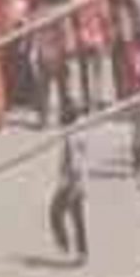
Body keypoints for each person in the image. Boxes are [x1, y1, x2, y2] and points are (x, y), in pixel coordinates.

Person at [50, 103, 92, 262]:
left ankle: (64, 243)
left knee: (55, 213)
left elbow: (73, 162)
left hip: (70, 182)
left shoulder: (70, 138)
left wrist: (72, 183)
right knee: (77, 217)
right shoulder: (79, 132)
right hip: (78, 181)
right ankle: (82, 252)